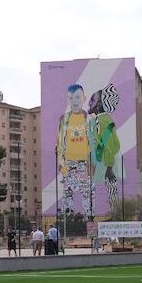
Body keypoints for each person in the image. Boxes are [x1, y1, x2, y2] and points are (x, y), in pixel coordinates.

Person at [56, 84, 92, 216]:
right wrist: (61, 163)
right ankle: (68, 220)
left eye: (77, 97)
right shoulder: (64, 119)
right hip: (69, 163)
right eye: (71, 98)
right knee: (67, 195)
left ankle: (89, 219)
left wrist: (91, 163)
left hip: (85, 163)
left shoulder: (89, 119)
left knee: (87, 195)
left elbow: (93, 142)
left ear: (84, 98)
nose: (74, 101)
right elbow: (60, 142)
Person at [87, 84, 122, 212]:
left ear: (99, 104)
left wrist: (109, 167)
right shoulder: (103, 120)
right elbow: (115, 143)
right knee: (110, 193)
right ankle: (114, 212)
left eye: (92, 100)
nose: (89, 103)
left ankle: (115, 214)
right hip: (105, 162)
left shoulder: (102, 121)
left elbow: (107, 144)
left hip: (105, 164)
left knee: (110, 193)